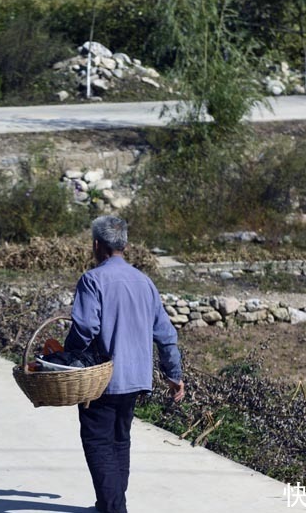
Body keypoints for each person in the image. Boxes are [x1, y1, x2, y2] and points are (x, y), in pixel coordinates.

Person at [64, 215, 184, 513]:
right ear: (125, 245)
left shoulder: (92, 280)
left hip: (101, 380)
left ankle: (114, 508)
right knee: (119, 440)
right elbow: (166, 335)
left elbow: (85, 329)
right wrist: (174, 375)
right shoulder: (145, 282)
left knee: (98, 443)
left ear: (96, 245)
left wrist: (64, 359)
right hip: (135, 379)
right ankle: (109, 504)